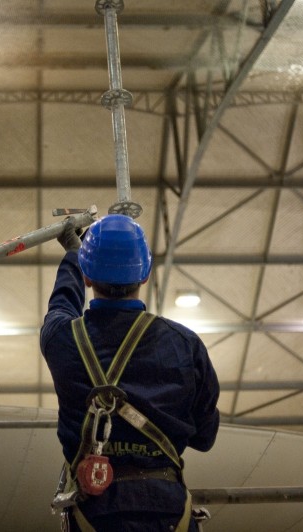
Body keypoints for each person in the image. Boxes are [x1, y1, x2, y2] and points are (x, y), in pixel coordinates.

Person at [40, 214, 220, 532]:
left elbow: (60, 308)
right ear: (146, 274)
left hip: (94, 515)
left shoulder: (63, 340)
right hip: (168, 515)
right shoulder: (184, 345)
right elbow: (205, 437)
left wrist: (72, 254)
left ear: (87, 277)